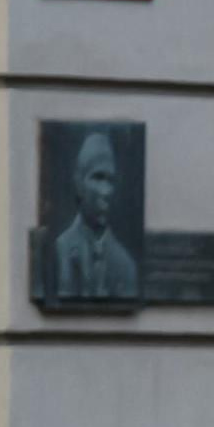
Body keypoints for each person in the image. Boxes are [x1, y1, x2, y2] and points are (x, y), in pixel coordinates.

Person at [48, 128, 142, 302]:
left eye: (110, 180)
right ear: (79, 184)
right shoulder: (60, 250)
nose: (106, 191)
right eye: (98, 177)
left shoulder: (126, 265)